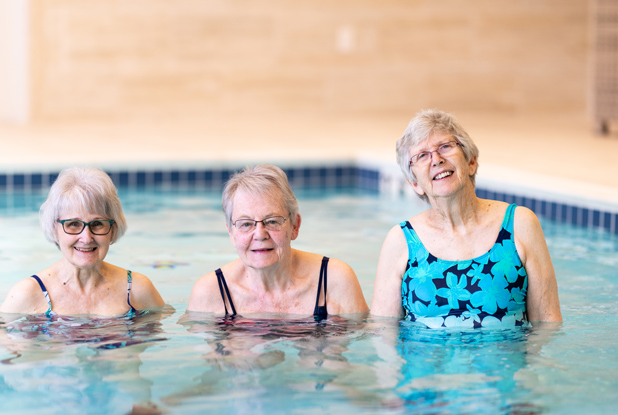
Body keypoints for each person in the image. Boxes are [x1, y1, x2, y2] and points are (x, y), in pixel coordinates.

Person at [372, 110, 561, 327]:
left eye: (445, 146)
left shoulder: (520, 224)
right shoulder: (401, 241)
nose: (436, 160)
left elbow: (548, 325)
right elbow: (383, 335)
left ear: (471, 161)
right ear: (415, 183)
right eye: (422, 155)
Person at [187, 163, 368, 319]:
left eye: (272, 221)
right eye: (246, 224)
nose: (259, 234)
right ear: (231, 233)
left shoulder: (334, 281)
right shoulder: (211, 293)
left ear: (295, 226)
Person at [0, 166, 165, 316]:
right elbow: (1, 341)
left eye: (97, 224)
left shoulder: (137, 290)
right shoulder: (28, 294)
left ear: (113, 230)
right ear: (55, 229)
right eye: (73, 224)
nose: (86, 238)